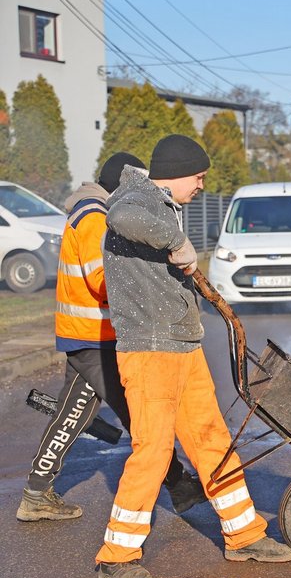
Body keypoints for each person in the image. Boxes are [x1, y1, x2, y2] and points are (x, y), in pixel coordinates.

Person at [95, 135, 291, 578]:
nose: (202, 185)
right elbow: (120, 217)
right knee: (154, 449)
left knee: (211, 440)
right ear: (179, 171)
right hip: (149, 350)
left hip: (181, 346)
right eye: (199, 177)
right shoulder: (134, 198)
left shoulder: (161, 203)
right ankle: (117, 556)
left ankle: (243, 535)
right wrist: (176, 240)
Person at [17, 152, 206, 523]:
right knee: (141, 416)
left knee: (73, 413)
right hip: (96, 334)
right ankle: (180, 487)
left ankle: (36, 494)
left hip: (91, 333)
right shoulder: (94, 218)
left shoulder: (95, 212)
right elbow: (103, 278)